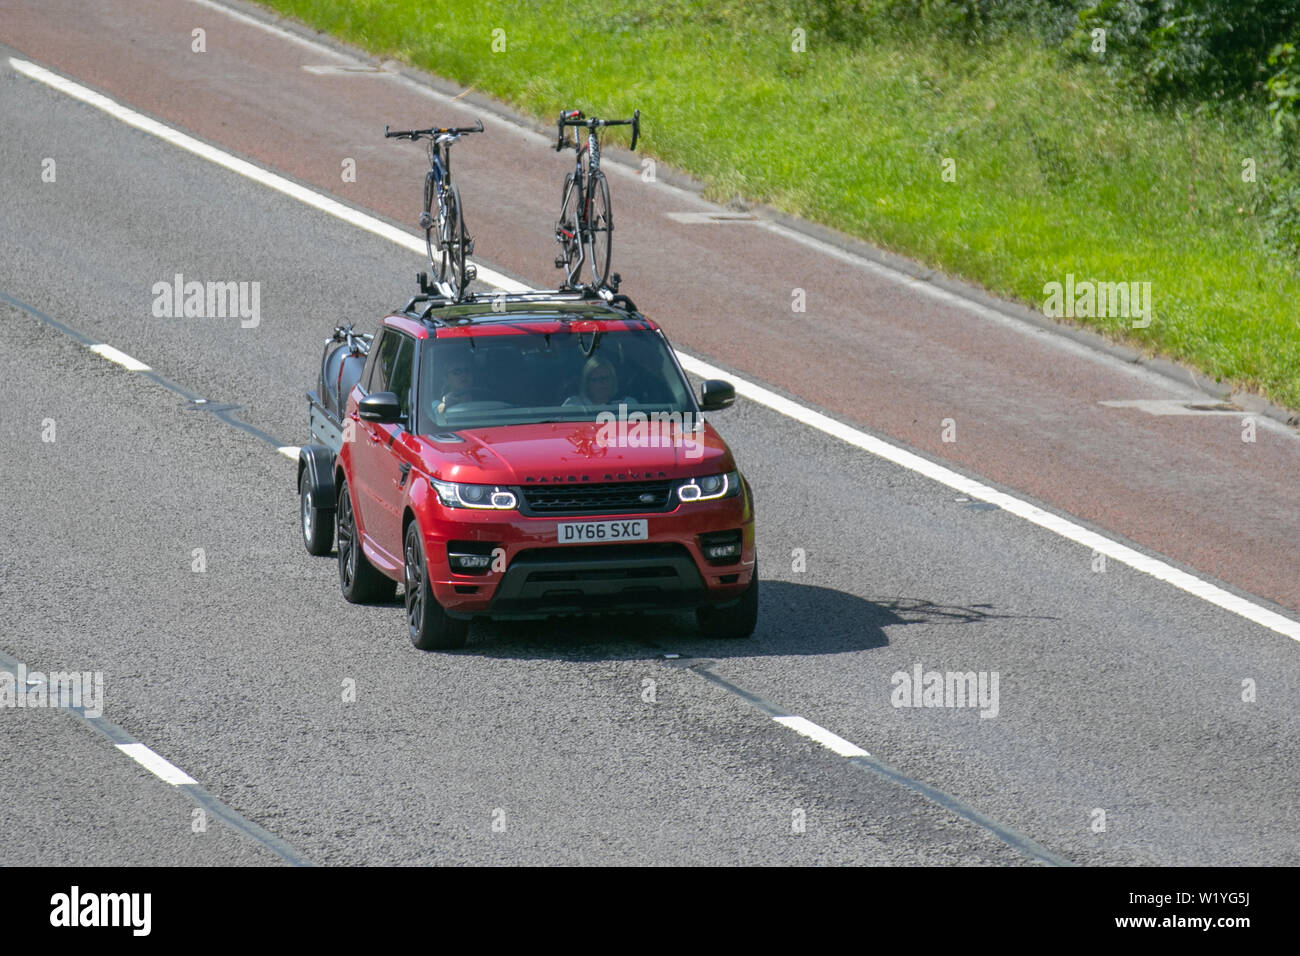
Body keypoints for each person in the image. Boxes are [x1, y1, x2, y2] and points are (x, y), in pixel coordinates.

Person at [562, 356, 635, 407]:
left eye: (605, 378)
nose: (601, 383)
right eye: (594, 380)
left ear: (613, 380)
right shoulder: (574, 404)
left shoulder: (627, 404)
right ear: (587, 383)